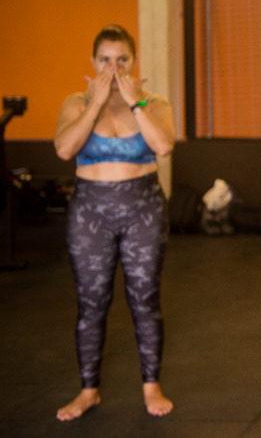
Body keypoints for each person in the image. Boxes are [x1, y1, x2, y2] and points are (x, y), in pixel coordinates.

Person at [53, 25, 176, 421]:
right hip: (90, 214)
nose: (113, 67)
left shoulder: (154, 102)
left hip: (143, 210)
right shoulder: (77, 102)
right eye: (105, 60)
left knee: (145, 300)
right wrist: (96, 103)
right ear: (92, 63)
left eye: (122, 59)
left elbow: (163, 145)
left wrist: (135, 102)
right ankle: (88, 391)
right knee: (91, 303)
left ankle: (151, 386)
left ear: (133, 62)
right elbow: (64, 149)